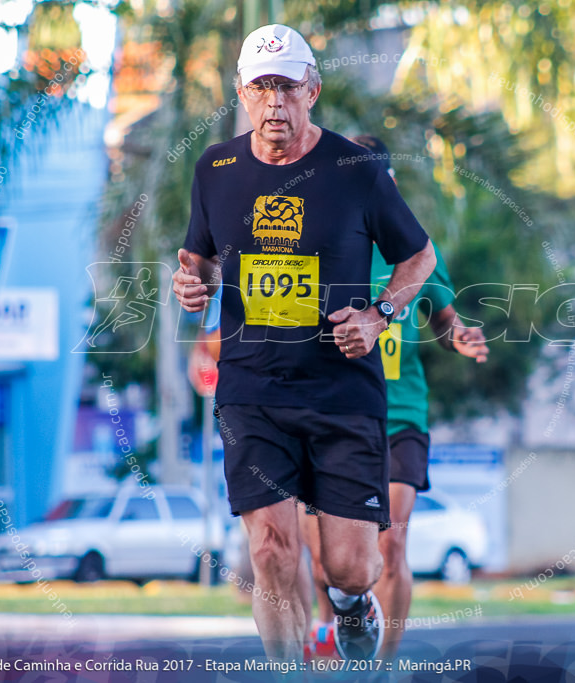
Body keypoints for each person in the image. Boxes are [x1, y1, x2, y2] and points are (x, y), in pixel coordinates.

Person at [171, 24, 437, 662]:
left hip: (342, 390)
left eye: (287, 88)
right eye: (261, 88)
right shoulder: (217, 170)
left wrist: (377, 315)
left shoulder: (358, 171)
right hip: (252, 386)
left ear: (311, 91)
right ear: (241, 92)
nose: (274, 104)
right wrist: (194, 284)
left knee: (348, 566)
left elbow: (419, 258)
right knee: (271, 552)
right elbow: (199, 258)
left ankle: (351, 605)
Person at [300, 136, 489, 660]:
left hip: (398, 414)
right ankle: (332, 638)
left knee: (391, 542)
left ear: (389, 185)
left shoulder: (413, 249)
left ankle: (380, 667)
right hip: (330, 412)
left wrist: (461, 335)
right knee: (326, 560)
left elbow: (444, 316)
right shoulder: (317, 242)